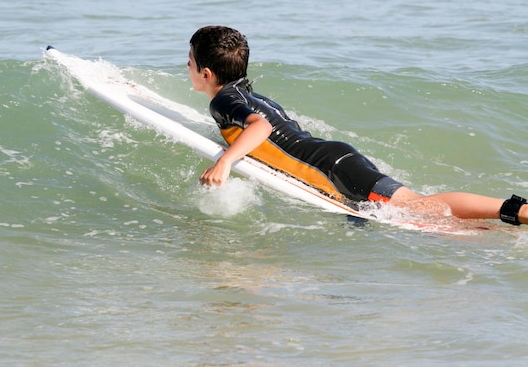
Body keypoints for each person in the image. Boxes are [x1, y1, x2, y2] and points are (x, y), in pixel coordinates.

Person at [187, 25, 527, 226]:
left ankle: (516, 212)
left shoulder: (222, 101)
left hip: (333, 170)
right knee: (420, 212)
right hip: (335, 160)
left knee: (419, 207)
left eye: (188, 61)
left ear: (206, 73)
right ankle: (505, 223)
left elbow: (259, 128)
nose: (185, 66)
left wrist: (225, 161)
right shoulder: (246, 91)